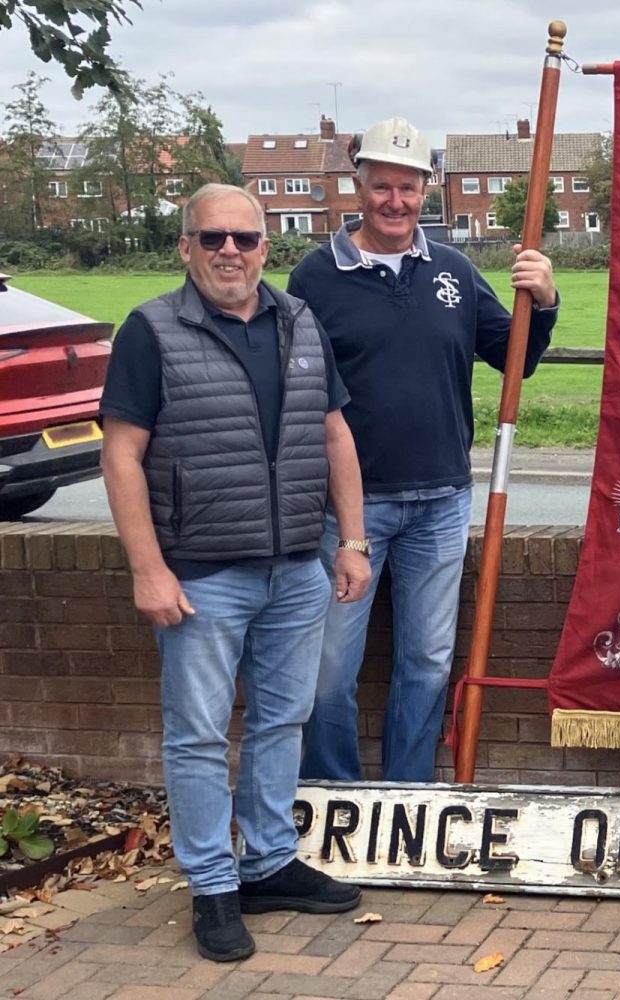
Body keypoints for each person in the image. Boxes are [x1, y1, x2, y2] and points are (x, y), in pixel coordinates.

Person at [99, 183, 372, 962]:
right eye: (212, 237)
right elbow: (121, 454)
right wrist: (148, 569)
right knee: (196, 735)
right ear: (185, 247)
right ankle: (213, 886)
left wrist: (352, 541)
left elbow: (334, 433)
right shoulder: (152, 329)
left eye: (244, 239)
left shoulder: (300, 321)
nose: (230, 251)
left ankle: (269, 863)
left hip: (295, 568)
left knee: (282, 721)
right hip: (201, 575)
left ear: (265, 248)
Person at [292, 117, 559, 782]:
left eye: (408, 188)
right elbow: (295, 393)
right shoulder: (315, 278)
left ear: (425, 191)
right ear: (359, 188)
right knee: (328, 670)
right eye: (382, 187)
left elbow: (515, 358)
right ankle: (338, 796)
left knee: (429, 663)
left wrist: (546, 300)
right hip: (350, 510)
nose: (396, 201)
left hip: (441, 501)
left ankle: (408, 794)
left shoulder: (454, 271)